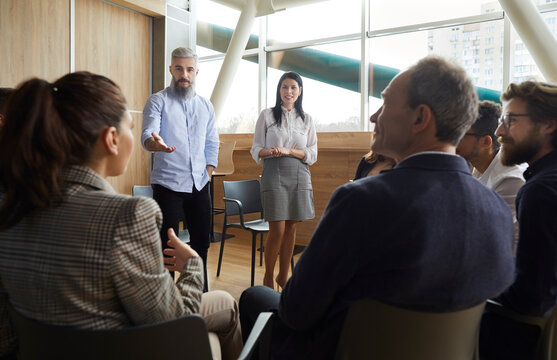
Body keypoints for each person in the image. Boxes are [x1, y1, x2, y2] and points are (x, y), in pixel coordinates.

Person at [240, 56, 515, 359]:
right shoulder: (498, 212)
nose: (373, 116)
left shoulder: (360, 201)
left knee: (253, 297)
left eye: (384, 104)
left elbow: (295, 310)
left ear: (420, 118)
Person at [0, 72, 241, 360]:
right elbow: (173, 323)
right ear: (112, 139)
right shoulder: (129, 216)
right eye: (130, 126)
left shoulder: (11, 212)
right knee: (222, 315)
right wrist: (191, 267)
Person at [480, 81, 557, 360]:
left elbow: (530, 297)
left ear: (549, 124)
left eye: (510, 120)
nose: (500, 131)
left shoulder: (541, 191)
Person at [142, 47, 219, 289]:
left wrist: (208, 170)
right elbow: (148, 133)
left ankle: (201, 294)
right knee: (168, 247)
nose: (183, 74)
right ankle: (167, 301)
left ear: (196, 72)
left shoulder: (206, 106)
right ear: (171, 70)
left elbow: (212, 141)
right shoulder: (158, 101)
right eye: (178, 69)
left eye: (188, 69)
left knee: (201, 243)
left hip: (199, 184)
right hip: (168, 186)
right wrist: (155, 143)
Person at [250, 71, 317, 290]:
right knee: (277, 229)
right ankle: (268, 276)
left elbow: (312, 153)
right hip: (274, 172)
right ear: (279, 90)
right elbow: (256, 149)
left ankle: (283, 276)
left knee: (291, 229)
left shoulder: (307, 119)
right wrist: (271, 152)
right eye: (284, 87)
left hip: (299, 173)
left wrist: (289, 150)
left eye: (293, 88)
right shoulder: (267, 115)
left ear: (300, 92)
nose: (288, 91)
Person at [456, 100, 527, 254]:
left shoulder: (509, 179)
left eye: (461, 134)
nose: (453, 140)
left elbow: (504, 242)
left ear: (486, 142)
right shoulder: (477, 167)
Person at [353, 108, 396, 180]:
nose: (372, 118)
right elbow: (355, 183)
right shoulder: (367, 160)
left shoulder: (401, 166)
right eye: (375, 132)